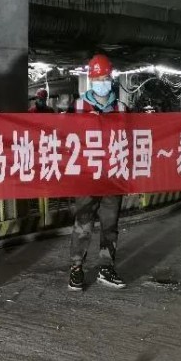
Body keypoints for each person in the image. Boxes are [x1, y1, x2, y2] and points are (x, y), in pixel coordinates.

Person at [68, 53, 128, 291]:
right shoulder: (78, 106)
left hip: (112, 175)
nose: (102, 82)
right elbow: (64, 137)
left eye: (106, 78)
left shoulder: (121, 108)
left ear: (111, 79)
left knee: (110, 224)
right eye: (98, 78)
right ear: (91, 80)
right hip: (86, 176)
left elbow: (130, 139)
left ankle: (106, 267)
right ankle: (76, 268)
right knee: (83, 223)